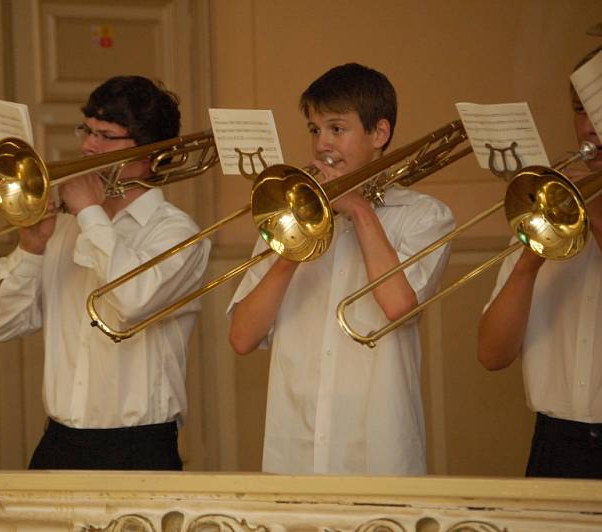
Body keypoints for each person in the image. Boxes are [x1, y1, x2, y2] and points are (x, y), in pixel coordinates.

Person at [227, 63, 455, 475]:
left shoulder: (425, 216)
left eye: (337, 128)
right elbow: (242, 337)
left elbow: (398, 306)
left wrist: (359, 210)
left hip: (378, 451)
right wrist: (293, 246)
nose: (321, 145)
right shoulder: (288, 216)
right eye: (315, 130)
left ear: (379, 134)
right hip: (294, 451)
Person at [0, 75, 210, 470]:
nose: (87, 146)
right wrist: (30, 248)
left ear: (152, 153)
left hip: (138, 448)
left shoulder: (178, 233)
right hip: (58, 442)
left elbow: (129, 304)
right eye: (88, 129)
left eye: (106, 135)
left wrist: (89, 213)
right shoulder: (66, 229)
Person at [477, 46, 602, 479]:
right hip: (555, 443)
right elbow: (493, 354)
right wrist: (530, 259)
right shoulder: (550, 207)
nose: (590, 128)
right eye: (580, 111)